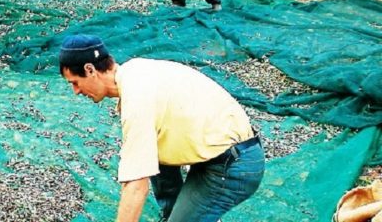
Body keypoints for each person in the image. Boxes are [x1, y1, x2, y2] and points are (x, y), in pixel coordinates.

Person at [58, 34, 264, 222]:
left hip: (234, 165)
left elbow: (136, 185)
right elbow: (140, 163)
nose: (76, 91)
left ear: (90, 69)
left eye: (75, 82)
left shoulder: (137, 99)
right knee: (148, 151)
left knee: (143, 161)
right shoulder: (135, 70)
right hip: (216, 154)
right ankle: (173, 213)